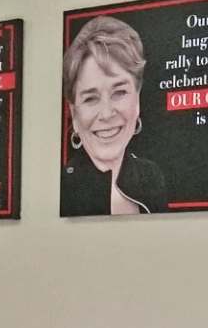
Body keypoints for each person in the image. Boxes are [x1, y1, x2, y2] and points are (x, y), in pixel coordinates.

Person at [58, 15, 167, 216]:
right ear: (74, 113)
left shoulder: (152, 178)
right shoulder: (59, 189)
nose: (107, 114)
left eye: (119, 92)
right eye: (90, 98)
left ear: (138, 98)